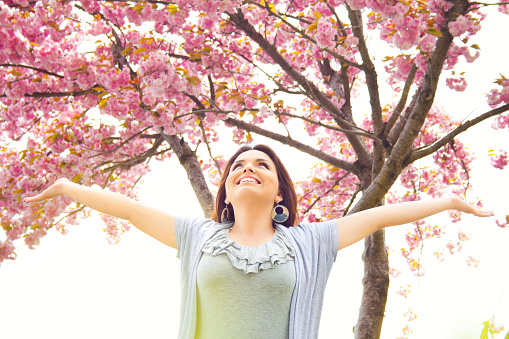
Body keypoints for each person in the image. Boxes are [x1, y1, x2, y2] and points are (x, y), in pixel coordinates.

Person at [24, 144, 493, 339]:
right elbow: (126, 207)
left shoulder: (310, 242)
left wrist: (449, 200)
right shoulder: (196, 236)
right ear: (226, 190)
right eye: (238, 167)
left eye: (262, 165)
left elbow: (379, 216)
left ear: (279, 190)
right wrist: (68, 187)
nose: (248, 168)